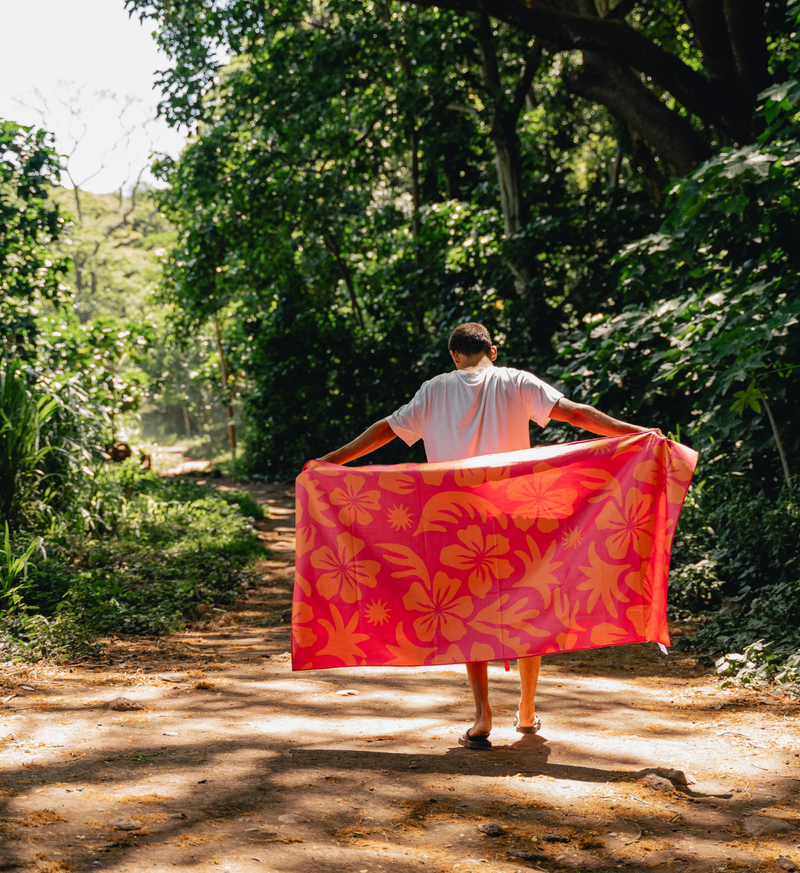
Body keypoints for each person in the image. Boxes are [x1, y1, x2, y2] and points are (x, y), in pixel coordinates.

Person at [318, 322, 661, 749]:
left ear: (454, 356)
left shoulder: (434, 390)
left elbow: (387, 429)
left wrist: (329, 462)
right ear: (492, 351)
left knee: (467, 612)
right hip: (518, 510)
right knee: (529, 603)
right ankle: (528, 708)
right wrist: (636, 433)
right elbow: (576, 413)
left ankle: (482, 717)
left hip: (454, 518)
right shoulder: (517, 381)